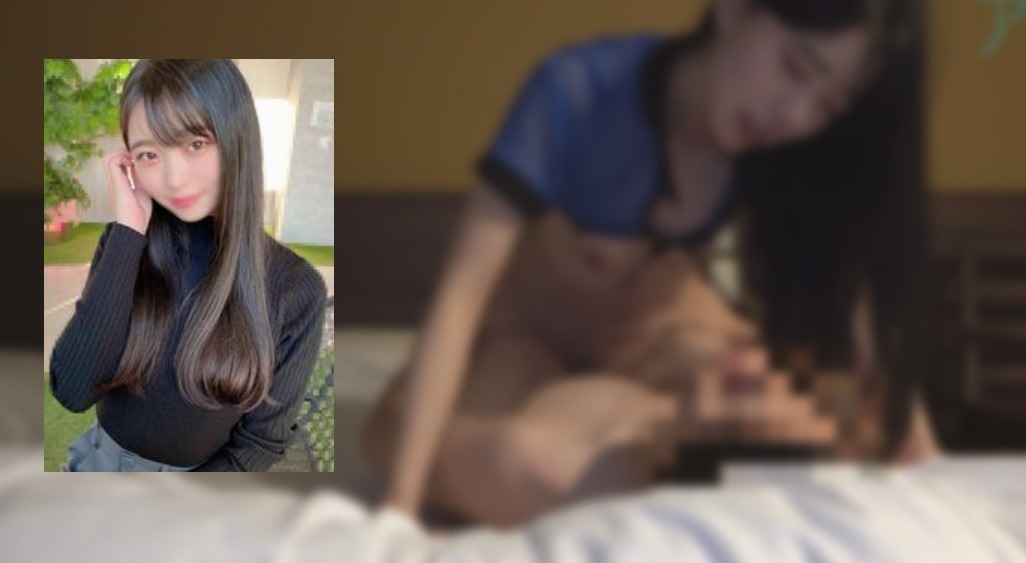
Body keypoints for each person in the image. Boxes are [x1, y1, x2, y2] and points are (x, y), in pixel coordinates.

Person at [363, 0, 935, 526]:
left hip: (659, 338)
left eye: (829, 105)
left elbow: (853, 299)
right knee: (469, 452)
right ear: (734, 8)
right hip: (527, 335)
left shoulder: (789, 151)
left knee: (825, 419)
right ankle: (633, 462)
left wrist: (919, 452)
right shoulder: (579, 91)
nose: (794, 114)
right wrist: (400, 505)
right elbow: (461, 297)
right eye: (796, 67)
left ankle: (654, 453)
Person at [49, 59, 328, 471]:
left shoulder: (295, 289)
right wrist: (128, 230)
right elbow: (72, 391)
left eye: (195, 144)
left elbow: (261, 444)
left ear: (237, 137)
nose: (175, 179)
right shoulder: (126, 244)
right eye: (149, 154)